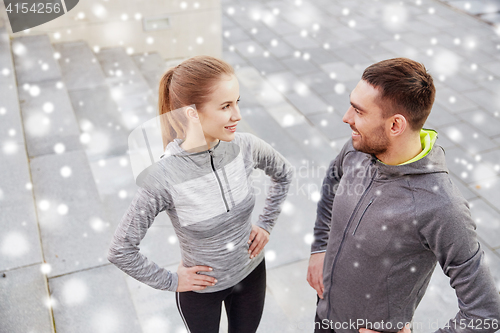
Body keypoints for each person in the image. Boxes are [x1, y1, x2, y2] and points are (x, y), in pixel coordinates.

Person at [307, 57, 500, 333]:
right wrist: (319, 247)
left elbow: (485, 312)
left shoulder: (441, 207)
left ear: (395, 125)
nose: (346, 118)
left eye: (358, 111)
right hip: (324, 316)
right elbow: (331, 184)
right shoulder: (357, 148)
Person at [108, 55, 294, 333]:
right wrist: (172, 281)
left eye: (237, 102)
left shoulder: (245, 146)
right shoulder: (163, 176)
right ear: (192, 113)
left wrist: (266, 224)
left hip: (251, 274)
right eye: (225, 106)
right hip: (202, 293)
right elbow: (120, 250)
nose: (237, 115)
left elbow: (284, 173)